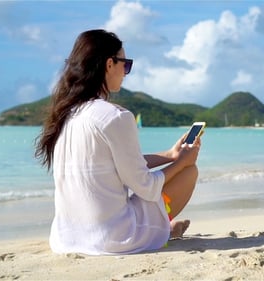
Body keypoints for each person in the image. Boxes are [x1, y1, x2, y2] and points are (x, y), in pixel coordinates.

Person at [35, 29, 201, 255]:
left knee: (176, 169)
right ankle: (162, 230)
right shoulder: (116, 117)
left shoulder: (65, 114)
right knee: (188, 172)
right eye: (126, 64)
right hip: (112, 239)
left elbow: (112, 164)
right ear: (109, 64)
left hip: (65, 239)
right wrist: (183, 162)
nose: (126, 72)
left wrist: (171, 155)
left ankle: (163, 228)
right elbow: (146, 185)